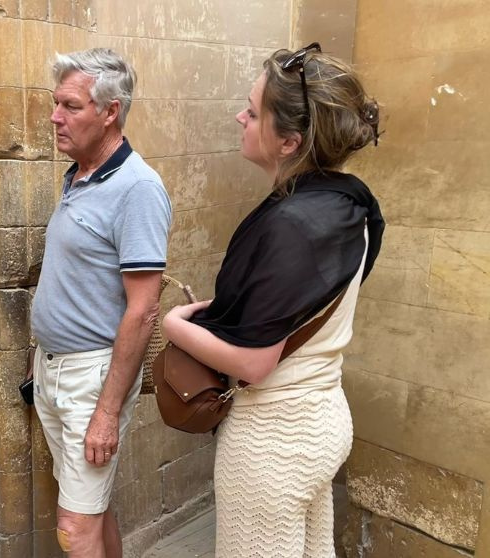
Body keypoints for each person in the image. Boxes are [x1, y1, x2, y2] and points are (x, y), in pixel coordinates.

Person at [162, 43, 384, 558]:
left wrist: (175, 324)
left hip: (274, 438)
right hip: (323, 415)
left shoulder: (293, 225)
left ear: (289, 141)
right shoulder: (349, 203)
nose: (240, 116)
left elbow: (256, 363)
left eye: (252, 110)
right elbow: (298, 307)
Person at [29, 48, 172, 557]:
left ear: (110, 112)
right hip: (54, 371)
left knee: (74, 526)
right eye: (56, 103)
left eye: (70, 106)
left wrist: (107, 412)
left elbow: (143, 310)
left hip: (92, 378)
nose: (54, 116)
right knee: (92, 507)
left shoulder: (138, 190)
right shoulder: (80, 175)